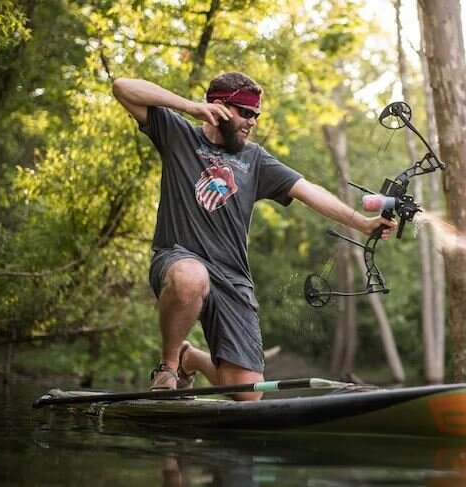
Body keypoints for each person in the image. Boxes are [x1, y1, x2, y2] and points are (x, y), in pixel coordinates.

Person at [112, 72, 395, 400]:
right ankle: (169, 366)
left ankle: (192, 359)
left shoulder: (256, 159)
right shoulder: (178, 136)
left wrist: (362, 223)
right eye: (246, 113)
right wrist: (190, 106)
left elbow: (309, 191)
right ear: (218, 108)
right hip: (178, 259)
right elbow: (123, 88)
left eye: (256, 115)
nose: (252, 122)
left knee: (247, 394)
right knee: (191, 277)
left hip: (232, 278)